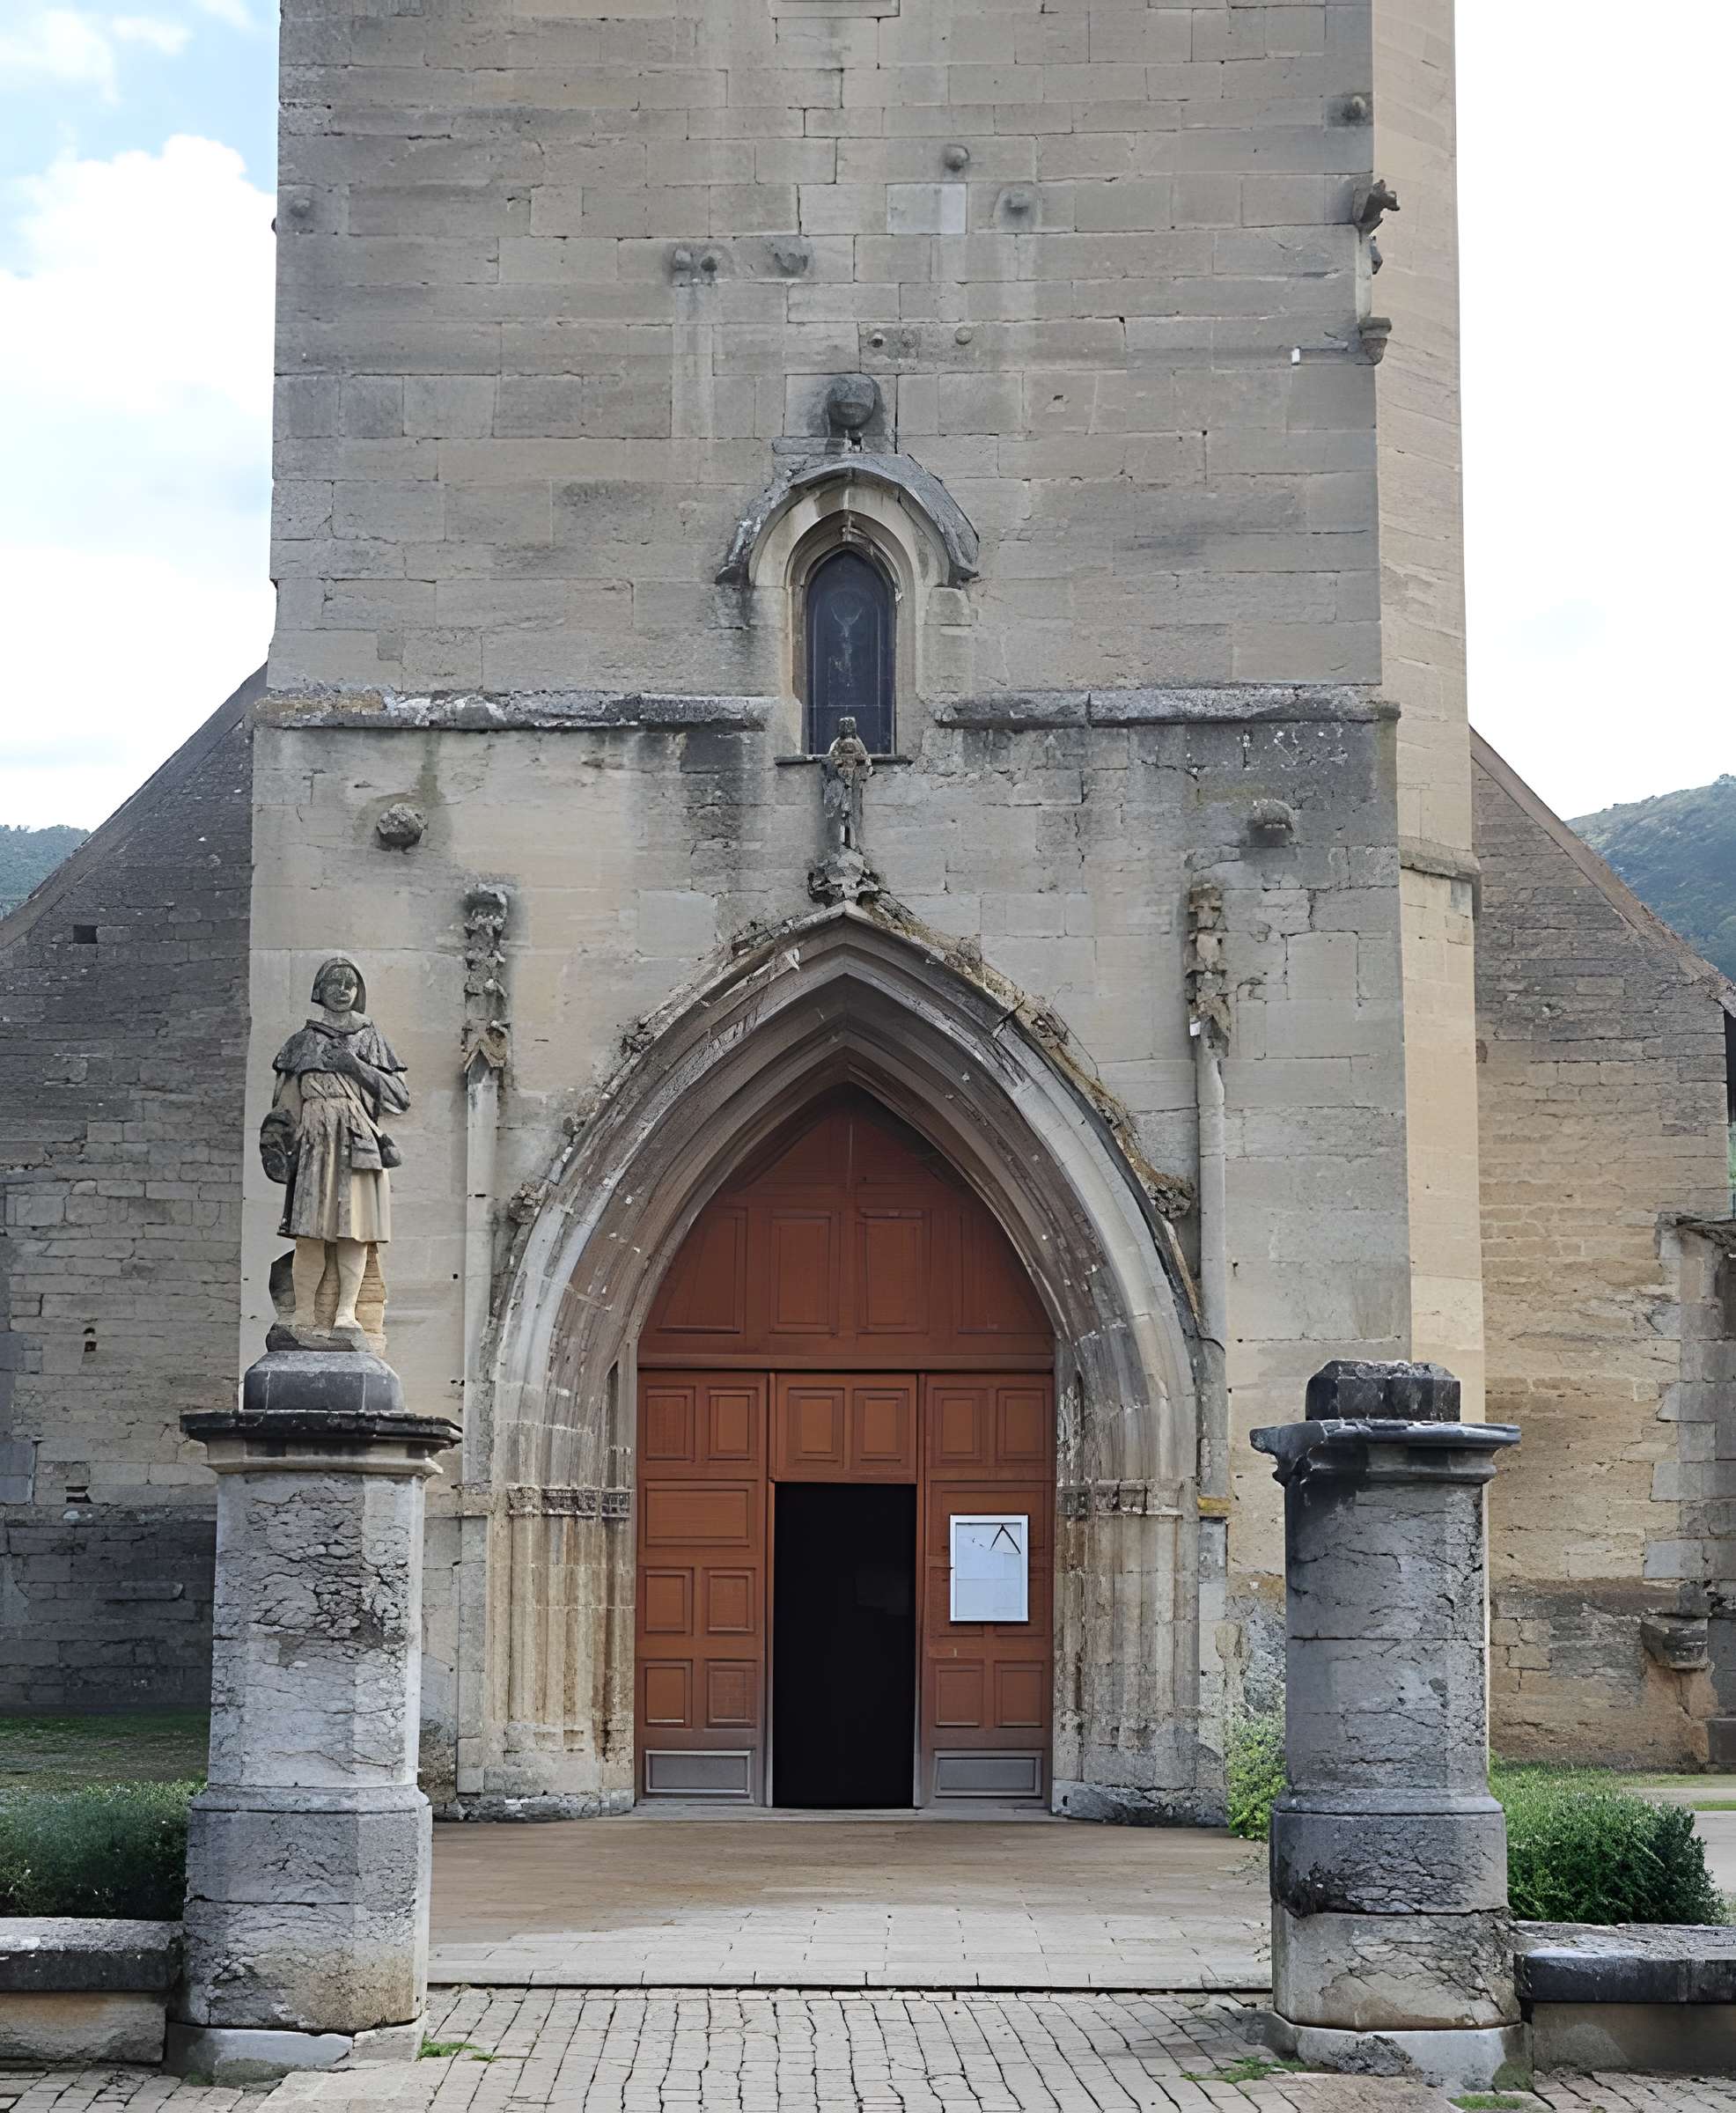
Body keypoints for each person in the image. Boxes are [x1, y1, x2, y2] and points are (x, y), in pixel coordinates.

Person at [261, 954, 409, 1337]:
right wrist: (277, 1146)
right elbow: (285, 1103)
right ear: (319, 990)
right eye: (334, 982)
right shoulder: (301, 1042)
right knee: (309, 1232)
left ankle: (347, 1312)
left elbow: (399, 1097)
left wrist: (354, 1066)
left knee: (354, 1231)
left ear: (359, 992)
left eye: (350, 983)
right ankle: (305, 1313)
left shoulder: (372, 1038)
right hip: (314, 1140)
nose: (342, 990)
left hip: (357, 1141)